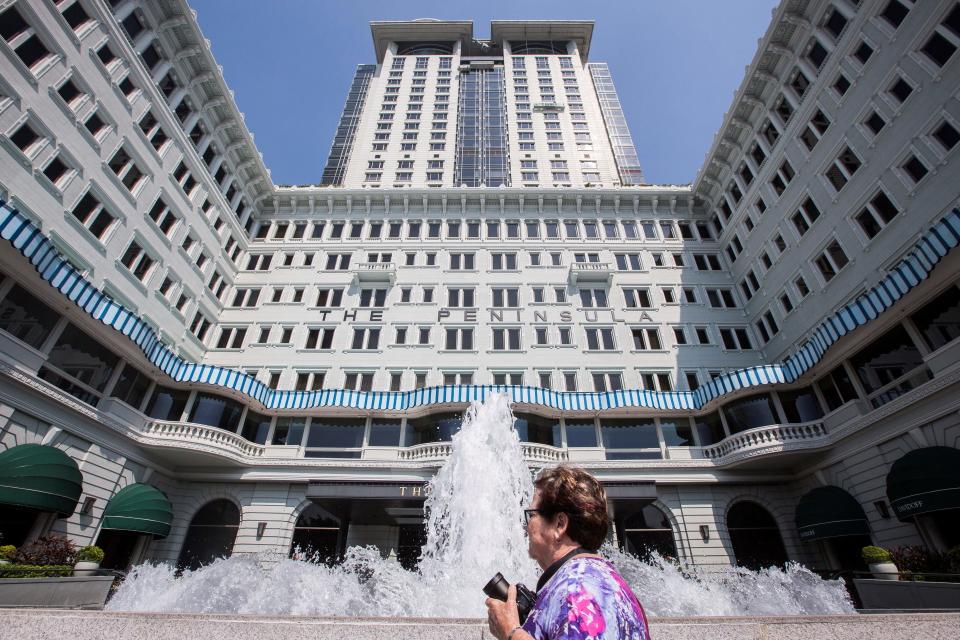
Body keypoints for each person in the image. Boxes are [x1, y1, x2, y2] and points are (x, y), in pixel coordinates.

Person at [486, 465, 650, 640]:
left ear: (559, 525)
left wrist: (511, 632)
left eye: (532, 515)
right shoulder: (599, 578)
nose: (526, 526)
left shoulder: (577, 588)